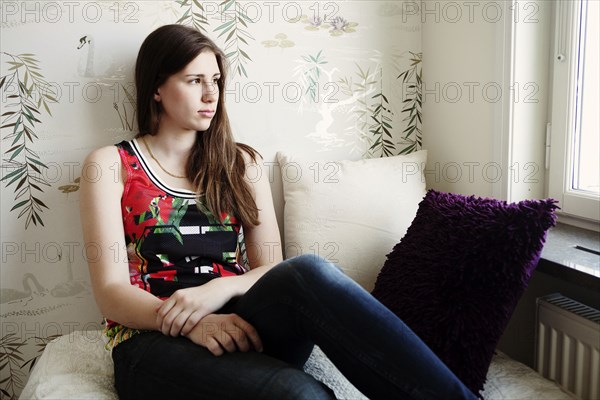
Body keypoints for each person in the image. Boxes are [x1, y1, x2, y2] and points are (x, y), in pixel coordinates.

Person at [79, 24, 476, 400]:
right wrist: (196, 322)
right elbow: (111, 293)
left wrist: (223, 288)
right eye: (194, 80)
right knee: (301, 393)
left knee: (308, 272)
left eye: (215, 80)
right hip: (153, 342)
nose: (210, 94)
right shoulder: (111, 165)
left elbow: (272, 269)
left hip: (242, 324)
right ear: (157, 89)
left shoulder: (240, 164)